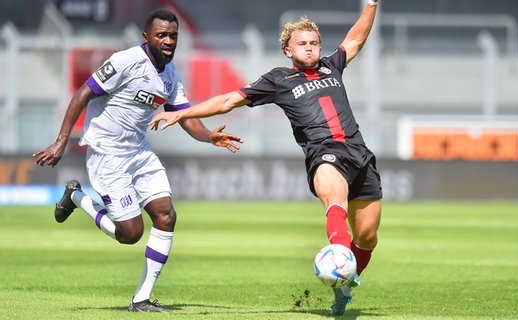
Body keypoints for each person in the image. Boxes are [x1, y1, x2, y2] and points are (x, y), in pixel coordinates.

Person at [150, 0, 382, 316]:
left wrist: (370, 4)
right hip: (324, 155)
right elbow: (230, 100)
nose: (311, 48)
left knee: (367, 237)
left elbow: (354, 39)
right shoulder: (278, 79)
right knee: (335, 202)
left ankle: (343, 284)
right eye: (303, 44)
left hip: (360, 154)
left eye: (314, 43)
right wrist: (184, 113)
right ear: (288, 50)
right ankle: (338, 257)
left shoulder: (332, 66)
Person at [33, 8, 243, 313]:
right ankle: (77, 196)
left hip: (139, 151)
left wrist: (209, 136)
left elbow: (185, 117)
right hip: (107, 153)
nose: (169, 41)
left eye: (173, 35)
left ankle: (141, 299)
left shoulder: (170, 76)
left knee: (166, 216)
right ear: (146, 38)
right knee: (130, 234)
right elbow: (82, 93)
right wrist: (61, 141)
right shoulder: (125, 61)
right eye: (162, 35)